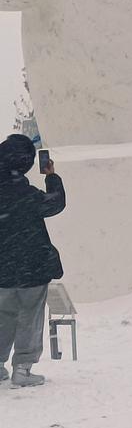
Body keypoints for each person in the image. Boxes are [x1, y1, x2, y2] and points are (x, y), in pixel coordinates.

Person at [0, 134, 67, 388]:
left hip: (2, 269)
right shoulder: (26, 193)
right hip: (31, 267)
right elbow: (55, 204)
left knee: (3, 316)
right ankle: (23, 369)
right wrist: (51, 176)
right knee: (29, 315)